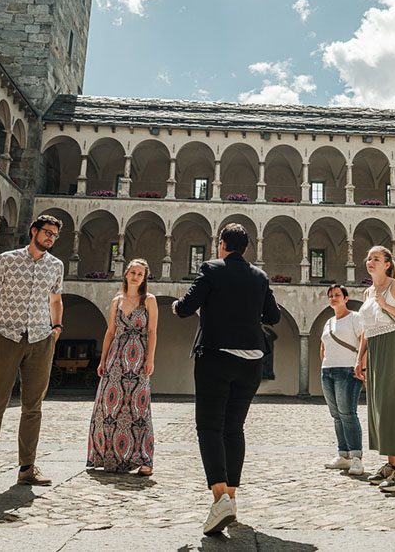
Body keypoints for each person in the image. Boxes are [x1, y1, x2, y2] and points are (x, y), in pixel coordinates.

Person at [172, 223, 281, 536]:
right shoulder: (259, 277)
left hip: (216, 357)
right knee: (234, 428)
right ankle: (231, 497)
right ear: (245, 248)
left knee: (209, 426)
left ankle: (220, 497)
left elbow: (186, 307)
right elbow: (272, 317)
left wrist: (179, 305)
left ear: (222, 244)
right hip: (251, 361)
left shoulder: (212, 269)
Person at [0, 214, 65, 489]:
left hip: (41, 339)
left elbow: (56, 299)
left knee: (33, 407)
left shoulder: (56, 266)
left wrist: (56, 328)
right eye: (47, 232)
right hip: (6, 336)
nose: (50, 238)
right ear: (33, 231)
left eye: (54, 235)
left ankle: (27, 468)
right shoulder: (8, 259)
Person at [354, 246, 395, 494]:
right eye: (369, 257)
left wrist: (386, 305)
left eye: (377, 258)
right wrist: (359, 358)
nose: (370, 261)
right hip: (376, 348)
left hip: (394, 346)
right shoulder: (368, 291)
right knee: (381, 407)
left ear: (388, 264)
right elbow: (366, 330)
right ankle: (391, 465)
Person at [87, 258, 158, 475]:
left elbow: (152, 332)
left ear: (144, 278)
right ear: (126, 274)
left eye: (140, 274)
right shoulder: (116, 300)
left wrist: (150, 359)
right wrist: (102, 360)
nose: (135, 276)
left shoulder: (149, 300)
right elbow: (110, 331)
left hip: (137, 359)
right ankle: (109, 456)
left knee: (138, 408)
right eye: (133, 272)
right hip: (116, 358)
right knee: (108, 408)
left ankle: (144, 459)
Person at [320, 284, 365, 476]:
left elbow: (364, 340)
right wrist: (323, 364)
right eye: (330, 296)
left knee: (348, 414)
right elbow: (323, 345)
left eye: (337, 295)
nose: (333, 298)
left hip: (347, 370)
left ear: (346, 298)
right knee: (336, 415)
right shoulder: (328, 322)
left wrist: (360, 364)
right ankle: (343, 455)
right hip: (328, 371)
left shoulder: (354, 317)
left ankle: (356, 458)